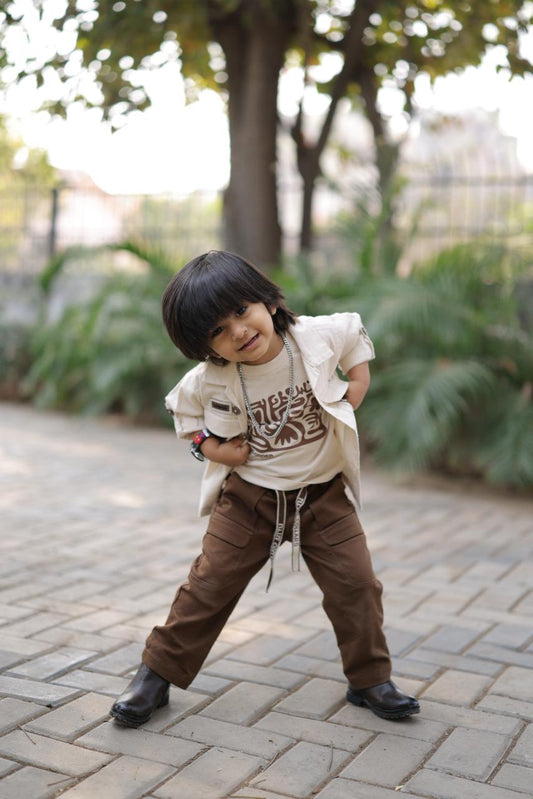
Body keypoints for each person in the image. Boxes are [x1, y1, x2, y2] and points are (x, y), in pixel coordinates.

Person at [110, 250, 419, 727]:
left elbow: (353, 331)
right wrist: (211, 449)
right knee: (208, 585)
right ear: (203, 346)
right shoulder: (209, 379)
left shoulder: (313, 339)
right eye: (216, 330)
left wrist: (358, 380)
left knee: (357, 585)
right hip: (249, 501)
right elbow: (184, 416)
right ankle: (155, 675)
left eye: (241, 310)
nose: (237, 330)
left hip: (323, 496)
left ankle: (370, 679)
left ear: (268, 301)